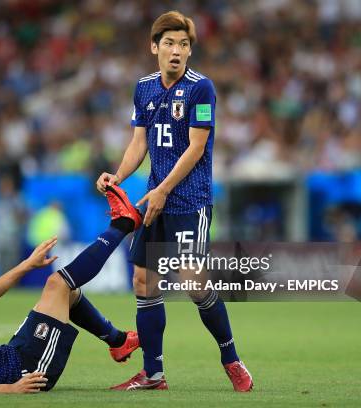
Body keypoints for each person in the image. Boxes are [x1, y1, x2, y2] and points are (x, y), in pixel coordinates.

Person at [96, 11, 253, 391]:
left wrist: (164, 189)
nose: (177, 51)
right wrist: (118, 176)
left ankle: (231, 358)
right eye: (169, 43)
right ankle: (154, 374)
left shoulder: (202, 89)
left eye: (184, 44)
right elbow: (139, 143)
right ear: (155, 47)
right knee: (143, 282)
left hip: (189, 201)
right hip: (155, 199)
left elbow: (197, 148)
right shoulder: (144, 88)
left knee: (193, 282)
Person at [0, 185, 142, 393]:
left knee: (65, 293)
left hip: (13, 353)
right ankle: (122, 225)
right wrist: (12, 389)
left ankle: (118, 341)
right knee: (58, 283)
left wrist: (27, 264)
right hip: (28, 369)